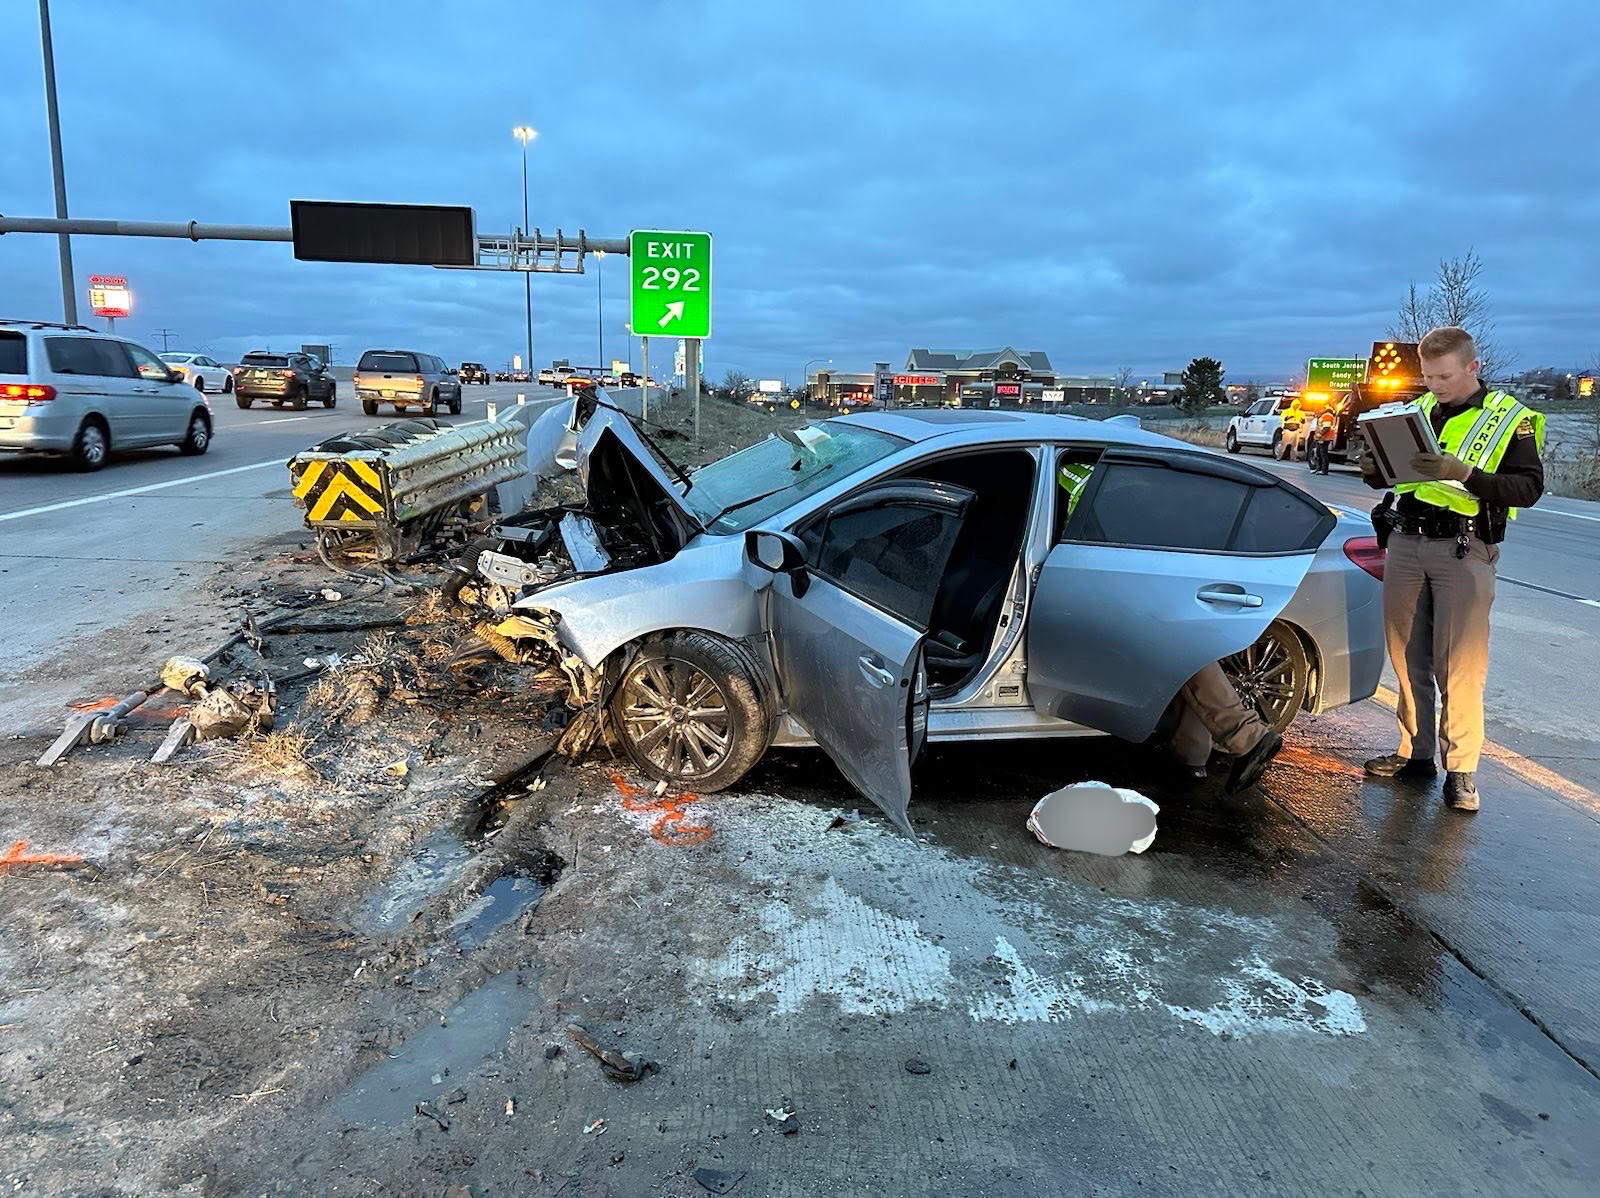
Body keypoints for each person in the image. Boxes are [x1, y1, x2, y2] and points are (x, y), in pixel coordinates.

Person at [1359, 326, 1545, 812]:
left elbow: (1526, 488)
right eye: (1427, 375)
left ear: (1472, 367)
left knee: (1459, 665)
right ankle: (1415, 754)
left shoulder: (1510, 421)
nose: (1435, 384)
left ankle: (1461, 770)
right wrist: (1372, 463)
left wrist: (1463, 474)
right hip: (1405, 542)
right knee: (1406, 657)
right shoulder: (1417, 412)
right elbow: (1391, 475)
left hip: (1463, 549)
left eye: (1444, 375)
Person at [1057, 457, 1284, 793]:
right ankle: (1192, 755)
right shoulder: (1129, 480)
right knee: (1183, 650)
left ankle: (1244, 737)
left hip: (1149, 577)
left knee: (1180, 650)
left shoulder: (1104, 482)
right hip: (1154, 576)